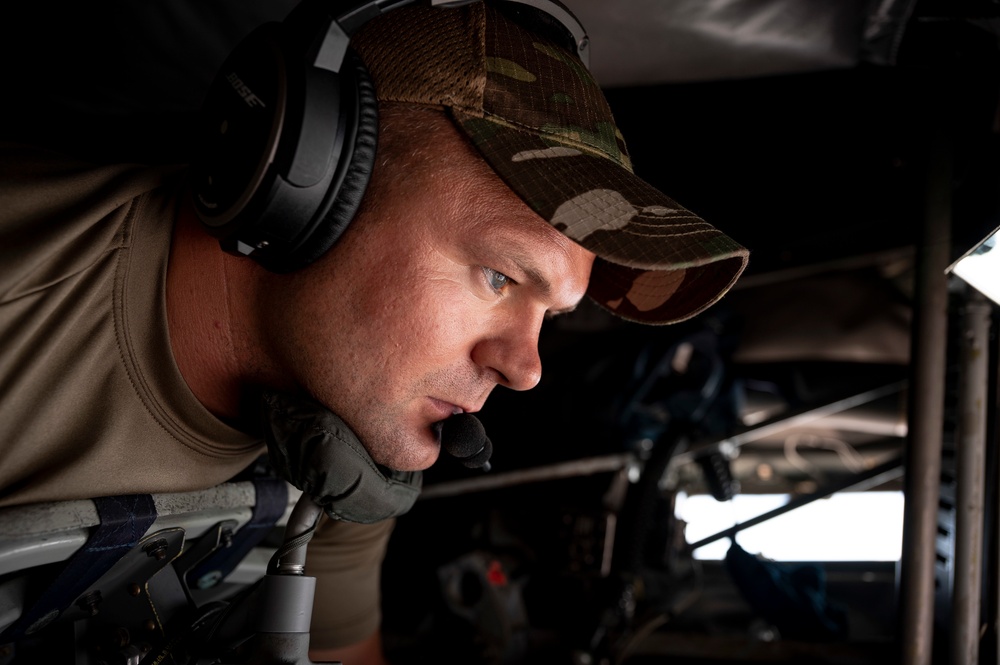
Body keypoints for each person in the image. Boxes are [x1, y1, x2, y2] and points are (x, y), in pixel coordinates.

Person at [0, 1, 748, 663]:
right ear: (312, 181)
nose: (526, 368)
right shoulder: (23, 307)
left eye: (550, 316)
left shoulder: (338, 444)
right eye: (499, 277)